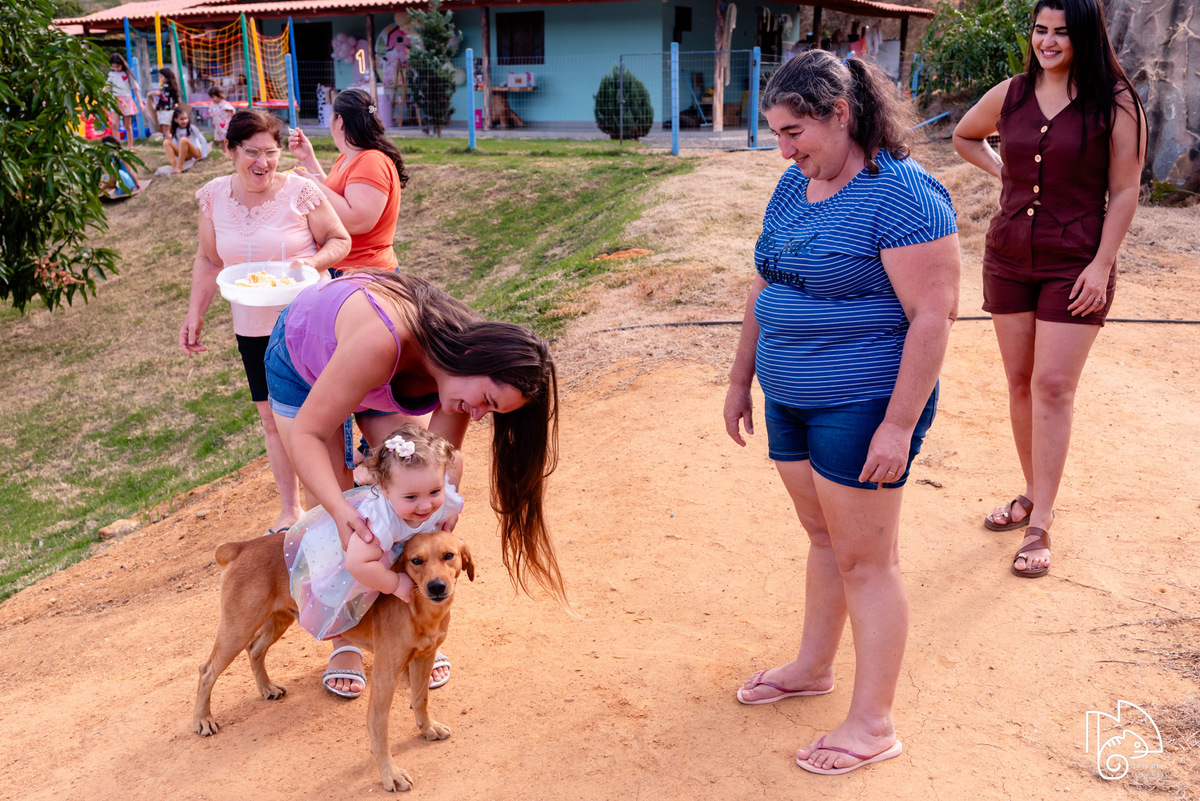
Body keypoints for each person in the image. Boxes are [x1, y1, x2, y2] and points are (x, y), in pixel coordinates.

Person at [722, 49, 959, 775]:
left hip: (863, 403)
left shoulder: (905, 196)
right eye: (777, 134)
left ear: (841, 114)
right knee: (824, 537)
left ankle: (873, 721)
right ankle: (812, 667)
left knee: (866, 558)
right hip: (789, 396)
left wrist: (896, 424)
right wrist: (740, 378)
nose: (785, 150)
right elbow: (765, 287)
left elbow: (933, 315)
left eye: (795, 132)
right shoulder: (794, 188)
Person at [264, 268, 563, 695]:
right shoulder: (380, 344)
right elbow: (308, 435)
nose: (477, 414)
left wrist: (437, 511)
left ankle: (409, 627)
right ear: (478, 356)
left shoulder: (463, 375)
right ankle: (344, 640)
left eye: (491, 412)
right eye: (487, 401)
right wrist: (338, 507)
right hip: (305, 358)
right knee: (341, 522)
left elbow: (442, 464)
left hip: (380, 380)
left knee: (413, 493)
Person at [953, 0, 1145, 578]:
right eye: (1041, 30)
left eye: (1061, 32)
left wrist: (1101, 263)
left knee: (1053, 385)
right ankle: (1033, 492)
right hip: (1009, 255)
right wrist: (1006, 172)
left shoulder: (1115, 102)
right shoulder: (1009, 93)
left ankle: (1041, 523)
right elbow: (966, 136)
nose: (1048, 41)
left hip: (1075, 261)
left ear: (1083, 35)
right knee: (1019, 382)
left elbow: (1126, 189)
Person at [179, 109, 351, 536]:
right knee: (273, 419)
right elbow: (207, 258)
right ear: (230, 150)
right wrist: (194, 313)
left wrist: (310, 262)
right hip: (253, 326)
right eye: (251, 152)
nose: (263, 162)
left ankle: (335, 504)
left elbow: (340, 240)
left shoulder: (301, 190)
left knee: (320, 415)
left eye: (270, 152)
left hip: (309, 321)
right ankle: (291, 510)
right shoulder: (213, 196)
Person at [284, 423, 463, 694]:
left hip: (392, 545)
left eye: (434, 492)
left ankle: (419, 640)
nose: (425, 505)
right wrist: (393, 583)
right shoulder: (378, 523)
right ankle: (348, 643)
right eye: (412, 496)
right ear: (386, 492)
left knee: (418, 574)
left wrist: (449, 508)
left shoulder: (431, 491)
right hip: (356, 560)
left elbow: (456, 459)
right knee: (362, 597)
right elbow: (357, 564)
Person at [287, 87, 409, 274]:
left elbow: (357, 222)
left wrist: (312, 185)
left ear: (340, 121)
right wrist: (308, 160)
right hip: (343, 269)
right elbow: (338, 200)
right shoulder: (347, 157)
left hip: (364, 275)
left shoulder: (371, 161)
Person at [105, 53, 141, 148]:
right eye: (114, 66)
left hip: (126, 100)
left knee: (128, 125)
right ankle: (118, 146)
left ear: (122, 64)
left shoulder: (127, 74)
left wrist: (140, 101)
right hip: (115, 100)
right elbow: (108, 87)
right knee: (115, 125)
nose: (116, 68)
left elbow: (135, 88)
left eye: (118, 66)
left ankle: (130, 147)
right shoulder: (111, 74)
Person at [164, 106, 210, 174]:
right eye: (181, 119)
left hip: (195, 153)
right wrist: (178, 159)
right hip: (184, 155)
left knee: (183, 140)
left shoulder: (192, 127)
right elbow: (175, 144)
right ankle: (174, 166)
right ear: (175, 120)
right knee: (166, 142)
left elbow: (202, 140)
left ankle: (180, 167)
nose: (184, 121)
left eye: (186, 118)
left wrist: (204, 155)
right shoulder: (175, 130)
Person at [146, 66, 181, 137]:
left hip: (165, 112)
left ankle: (170, 145)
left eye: (161, 76)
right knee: (171, 131)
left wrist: (150, 93)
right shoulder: (173, 87)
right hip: (173, 111)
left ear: (167, 77)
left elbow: (160, 92)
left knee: (166, 131)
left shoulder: (165, 86)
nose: (160, 78)